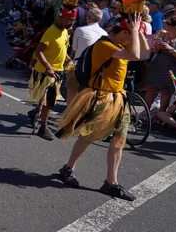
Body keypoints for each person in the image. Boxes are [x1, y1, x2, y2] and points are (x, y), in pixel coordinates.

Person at [57, 14, 149, 201]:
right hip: (101, 97)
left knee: (119, 141)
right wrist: (134, 31)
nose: (131, 38)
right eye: (130, 34)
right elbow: (136, 55)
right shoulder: (104, 45)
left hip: (119, 99)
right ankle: (68, 167)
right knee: (89, 137)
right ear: (123, 31)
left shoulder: (121, 45)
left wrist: (137, 32)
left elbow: (145, 54)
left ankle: (111, 183)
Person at [27, 6, 75, 140]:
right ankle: (43, 127)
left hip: (58, 71)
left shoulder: (65, 31)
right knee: (49, 101)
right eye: (68, 20)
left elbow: (62, 50)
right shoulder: (51, 31)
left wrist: (69, 61)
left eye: (73, 20)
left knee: (47, 100)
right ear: (60, 18)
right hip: (46, 72)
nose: (71, 23)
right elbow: (39, 51)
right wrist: (48, 67)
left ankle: (35, 112)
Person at [144, 16, 176, 111]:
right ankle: (146, 111)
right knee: (151, 87)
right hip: (158, 64)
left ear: (174, 27)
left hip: (172, 66)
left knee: (165, 91)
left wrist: (171, 49)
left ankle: (161, 113)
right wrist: (157, 47)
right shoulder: (162, 33)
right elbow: (153, 50)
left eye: (167, 23)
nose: (164, 24)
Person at [66, 3, 107, 103]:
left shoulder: (80, 30)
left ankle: (69, 114)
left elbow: (74, 49)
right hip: (95, 68)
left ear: (88, 17)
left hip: (79, 65)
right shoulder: (105, 34)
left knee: (71, 91)